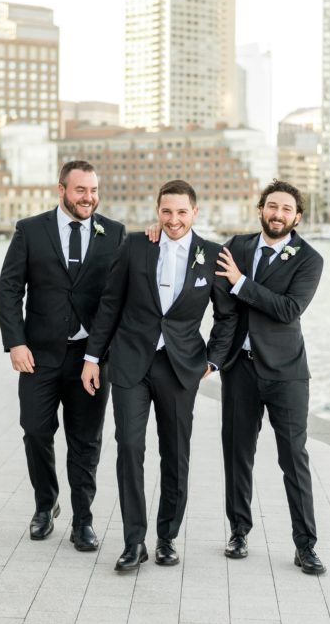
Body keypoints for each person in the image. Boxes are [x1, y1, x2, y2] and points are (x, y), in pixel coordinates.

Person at [81, 180, 237, 572]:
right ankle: (134, 541)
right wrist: (91, 357)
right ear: (157, 211)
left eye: (182, 212)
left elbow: (227, 317)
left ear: (195, 213)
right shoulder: (135, 246)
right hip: (131, 363)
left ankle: (167, 536)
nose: (174, 219)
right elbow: (110, 304)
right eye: (167, 212)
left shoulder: (214, 255)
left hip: (181, 368)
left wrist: (213, 362)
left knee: (176, 453)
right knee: (130, 448)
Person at [0, 160, 126, 550]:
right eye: (80, 190)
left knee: (86, 441)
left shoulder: (116, 234)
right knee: (36, 431)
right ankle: (45, 503)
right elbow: (9, 289)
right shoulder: (30, 230)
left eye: (93, 190)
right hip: (38, 355)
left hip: (90, 359)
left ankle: (83, 519)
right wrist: (15, 342)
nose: (88, 198)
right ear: (62, 190)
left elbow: (120, 294)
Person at [216, 180, 326, 574]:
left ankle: (305, 545)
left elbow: (288, 310)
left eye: (286, 209)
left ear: (297, 217)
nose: (278, 214)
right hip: (240, 370)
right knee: (237, 454)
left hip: (287, 375)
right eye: (272, 206)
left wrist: (241, 283)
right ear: (260, 209)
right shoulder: (238, 247)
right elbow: (219, 301)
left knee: (293, 459)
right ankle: (238, 531)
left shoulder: (309, 259)